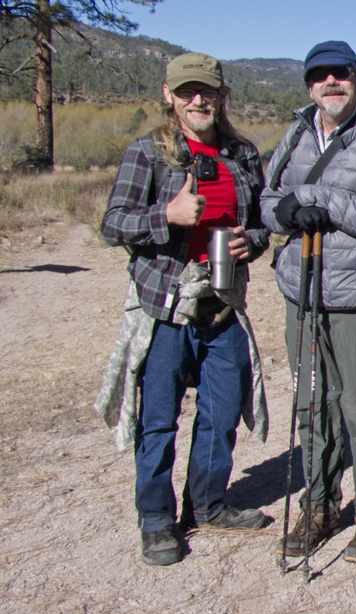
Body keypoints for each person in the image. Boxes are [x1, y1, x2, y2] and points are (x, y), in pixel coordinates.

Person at [99, 52, 272, 567]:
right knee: (158, 421)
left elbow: (261, 218)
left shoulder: (242, 154)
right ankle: (155, 519)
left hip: (223, 303)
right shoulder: (148, 153)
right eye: (187, 92)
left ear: (223, 97)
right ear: (169, 96)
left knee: (221, 413)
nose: (198, 100)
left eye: (208, 91)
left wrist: (253, 241)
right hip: (166, 305)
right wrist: (165, 215)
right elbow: (112, 224)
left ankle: (209, 503)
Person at [260, 40, 356, 565]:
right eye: (320, 75)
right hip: (301, 293)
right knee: (311, 405)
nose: (331, 83)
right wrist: (286, 215)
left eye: (341, 74)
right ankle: (320, 505)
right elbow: (266, 201)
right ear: (309, 84)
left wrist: (318, 198)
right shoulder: (296, 133)